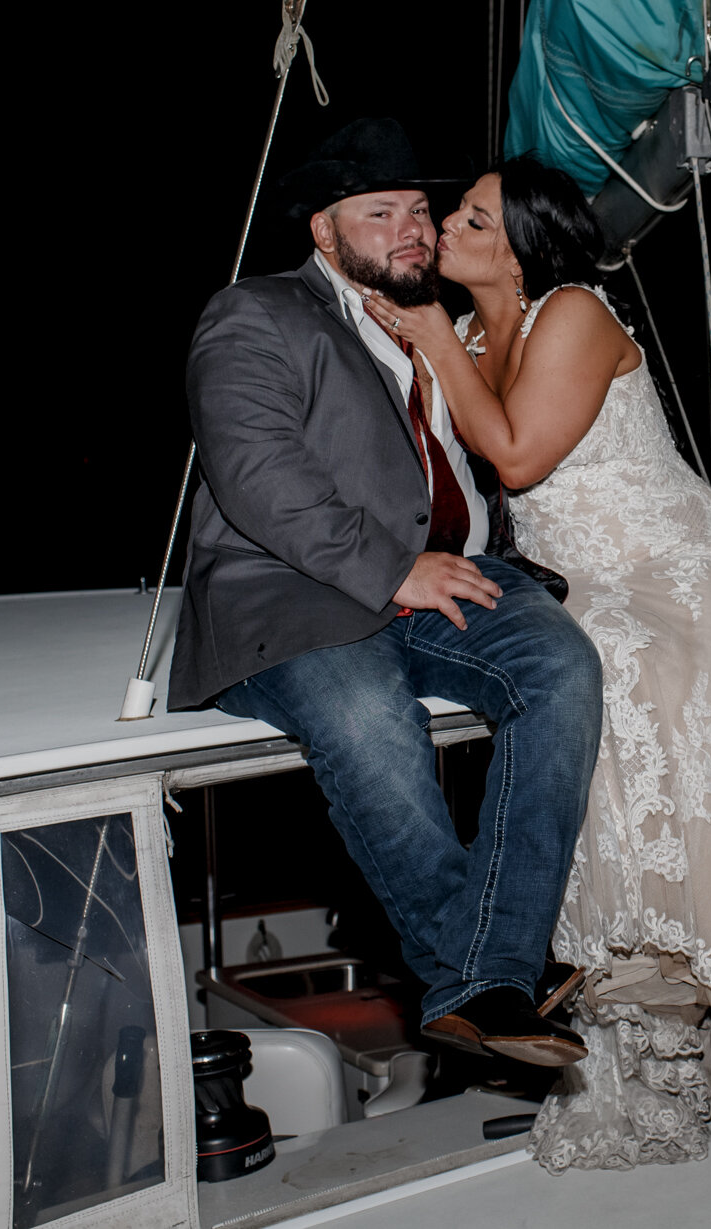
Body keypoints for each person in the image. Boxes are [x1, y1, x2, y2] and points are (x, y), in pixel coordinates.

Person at [367, 155, 711, 1171]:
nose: (446, 225)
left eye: (470, 217)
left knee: (638, 704)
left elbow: (513, 456)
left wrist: (422, 340)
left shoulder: (576, 312)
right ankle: (638, 1046)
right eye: (456, 213)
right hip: (575, 584)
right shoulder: (458, 332)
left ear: (521, 243)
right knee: (580, 686)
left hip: (673, 574)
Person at [167, 119, 604, 1067]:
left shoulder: (442, 326)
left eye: (419, 210)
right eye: (382, 213)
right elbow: (256, 470)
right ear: (325, 233)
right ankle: (490, 975)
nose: (413, 229)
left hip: (456, 579)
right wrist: (391, 568)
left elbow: (490, 458)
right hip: (297, 592)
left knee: (562, 666)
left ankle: (487, 971)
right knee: (367, 715)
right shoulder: (257, 312)